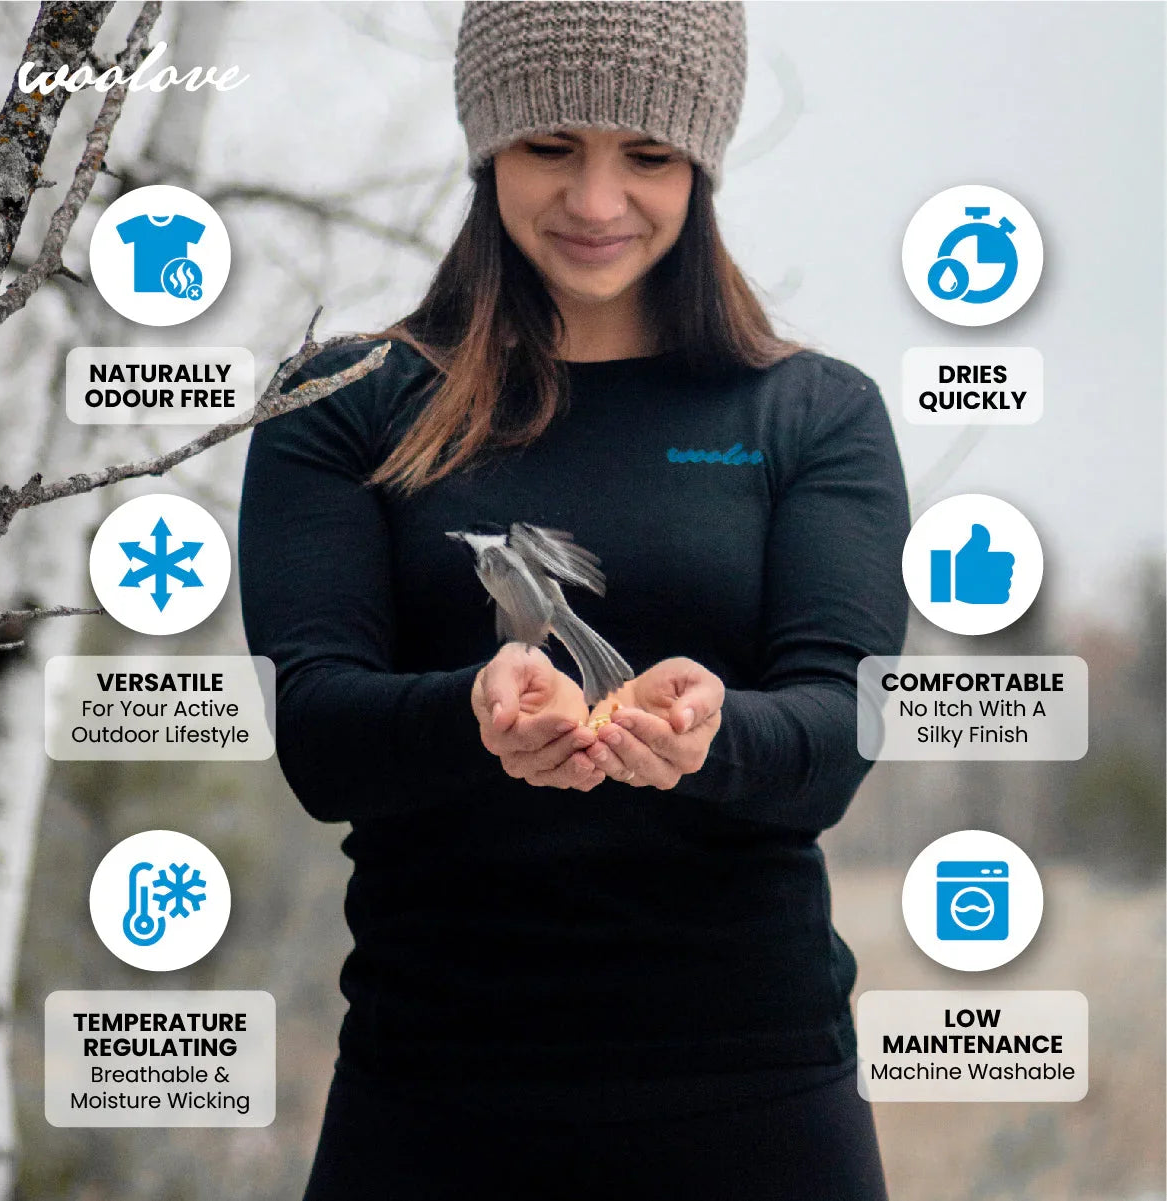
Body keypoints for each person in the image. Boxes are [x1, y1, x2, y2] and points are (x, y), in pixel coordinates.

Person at [238, 3, 909, 1197]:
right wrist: (473, 715)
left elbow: (836, 734)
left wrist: (714, 729)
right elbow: (318, 738)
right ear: (487, 141)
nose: (598, 202)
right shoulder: (340, 402)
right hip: (431, 1102)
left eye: (646, 156)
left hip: (756, 1102)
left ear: (698, 163)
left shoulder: (812, 415)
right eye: (552, 146)